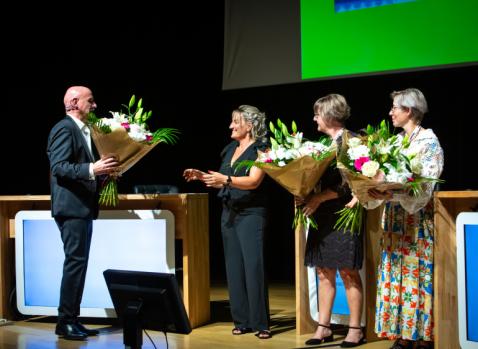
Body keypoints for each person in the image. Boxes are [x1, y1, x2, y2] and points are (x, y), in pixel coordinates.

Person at [183, 105, 272, 339]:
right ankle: (242, 321)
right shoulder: (230, 149)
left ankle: (261, 323)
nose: (231, 126)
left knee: (253, 268)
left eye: (235, 121)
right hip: (229, 213)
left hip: (251, 213)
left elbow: (253, 181)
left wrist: (226, 179)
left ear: (250, 125)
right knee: (234, 268)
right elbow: (223, 180)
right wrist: (203, 176)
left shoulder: (262, 148)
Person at [368, 88, 444, 349]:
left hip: (416, 222)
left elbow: (426, 186)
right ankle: (401, 334)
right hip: (394, 220)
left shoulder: (429, 142)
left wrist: (397, 189)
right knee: (395, 274)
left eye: (394, 108)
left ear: (409, 111)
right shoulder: (394, 143)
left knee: (416, 276)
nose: (390, 112)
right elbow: (380, 177)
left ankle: (422, 336)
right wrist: (375, 188)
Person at [47, 86, 119, 340]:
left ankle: (71, 320)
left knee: (78, 264)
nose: (95, 105)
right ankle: (65, 321)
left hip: (82, 207)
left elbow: (80, 170)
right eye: (91, 100)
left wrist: (102, 175)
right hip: (71, 208)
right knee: (75, 264)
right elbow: (59, 167)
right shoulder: (64, 128)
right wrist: (92, 168)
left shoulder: (83, 131)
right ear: (75, 102)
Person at [297, 94, 365, 347]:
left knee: (348, 272)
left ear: (328, 115)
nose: (314, 118)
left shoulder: (352, 140)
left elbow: (352, 184)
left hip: (343, 212)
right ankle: (323, 327)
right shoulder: (323, 145)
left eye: (317, 113)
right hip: (322, 212)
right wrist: (304, 193)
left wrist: (320, 197)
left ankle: (355, 329)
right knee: (324, 272)